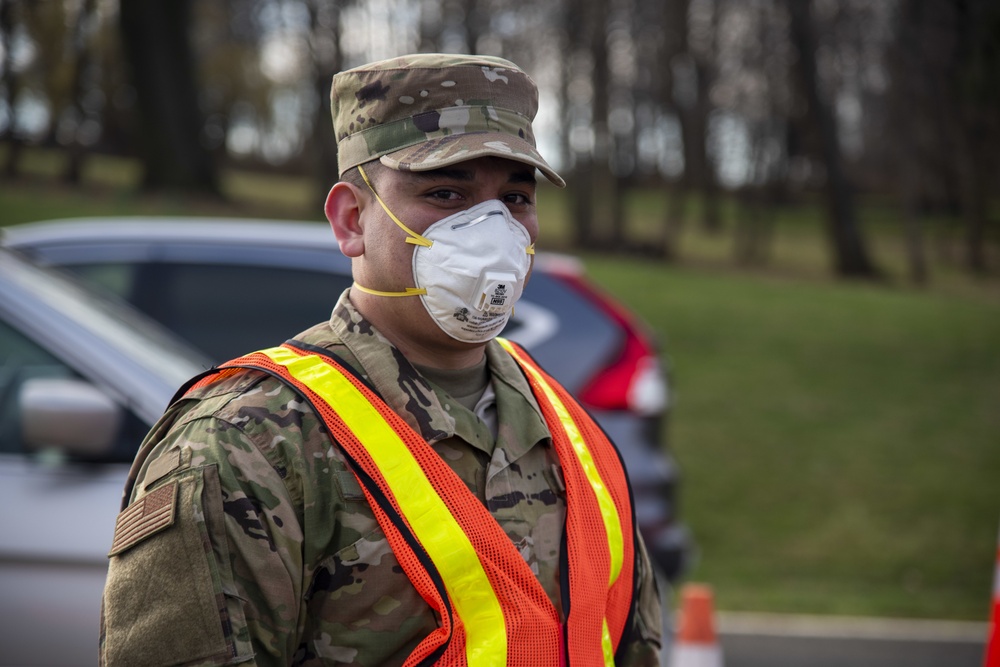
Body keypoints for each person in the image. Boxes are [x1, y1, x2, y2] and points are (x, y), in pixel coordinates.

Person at [100, 53, 662, 667]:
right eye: (446, 193)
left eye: (516, 199)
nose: (492, 228)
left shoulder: (574, 437)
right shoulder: (247, 443)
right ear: (351, 219)